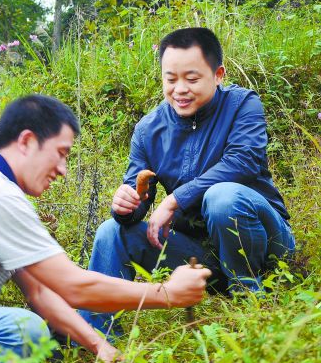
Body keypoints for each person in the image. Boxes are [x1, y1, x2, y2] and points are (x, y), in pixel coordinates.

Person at [0, 95, 211, 363]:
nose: (62, 169)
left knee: (34, 337)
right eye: (60, 153)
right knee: (23, 331)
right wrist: (168, 293)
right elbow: (74, 286)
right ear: (27, 142)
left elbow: (40, 292)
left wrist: (99, 345)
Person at [80, 27, 295, 336]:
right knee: (112, 230)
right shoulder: (148, 129)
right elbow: (137, 197)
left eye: (192, 79)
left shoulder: (242, 105)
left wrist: (175, 199)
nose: (180, 89)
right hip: (202, 257)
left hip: (266, 246)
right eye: (171, 79)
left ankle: (249, 301)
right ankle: (94, 333)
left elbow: (244, 161)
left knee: (223, 197)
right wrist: (126, 206)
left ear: (218, 74)